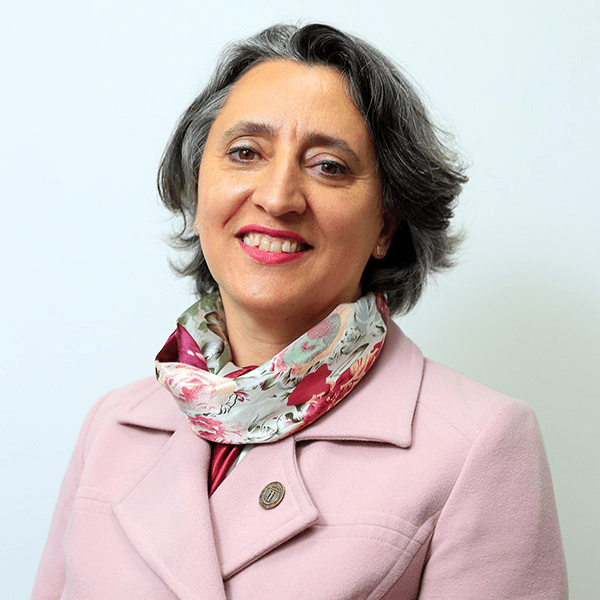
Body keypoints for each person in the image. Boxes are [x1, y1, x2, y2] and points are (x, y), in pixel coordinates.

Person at [32, 23, 567, 600]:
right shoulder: (111, 427)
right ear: (196, 189)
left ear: (385, 226)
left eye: (328, 166)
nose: (277, 197)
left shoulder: (480, 444)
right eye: (245, 153)